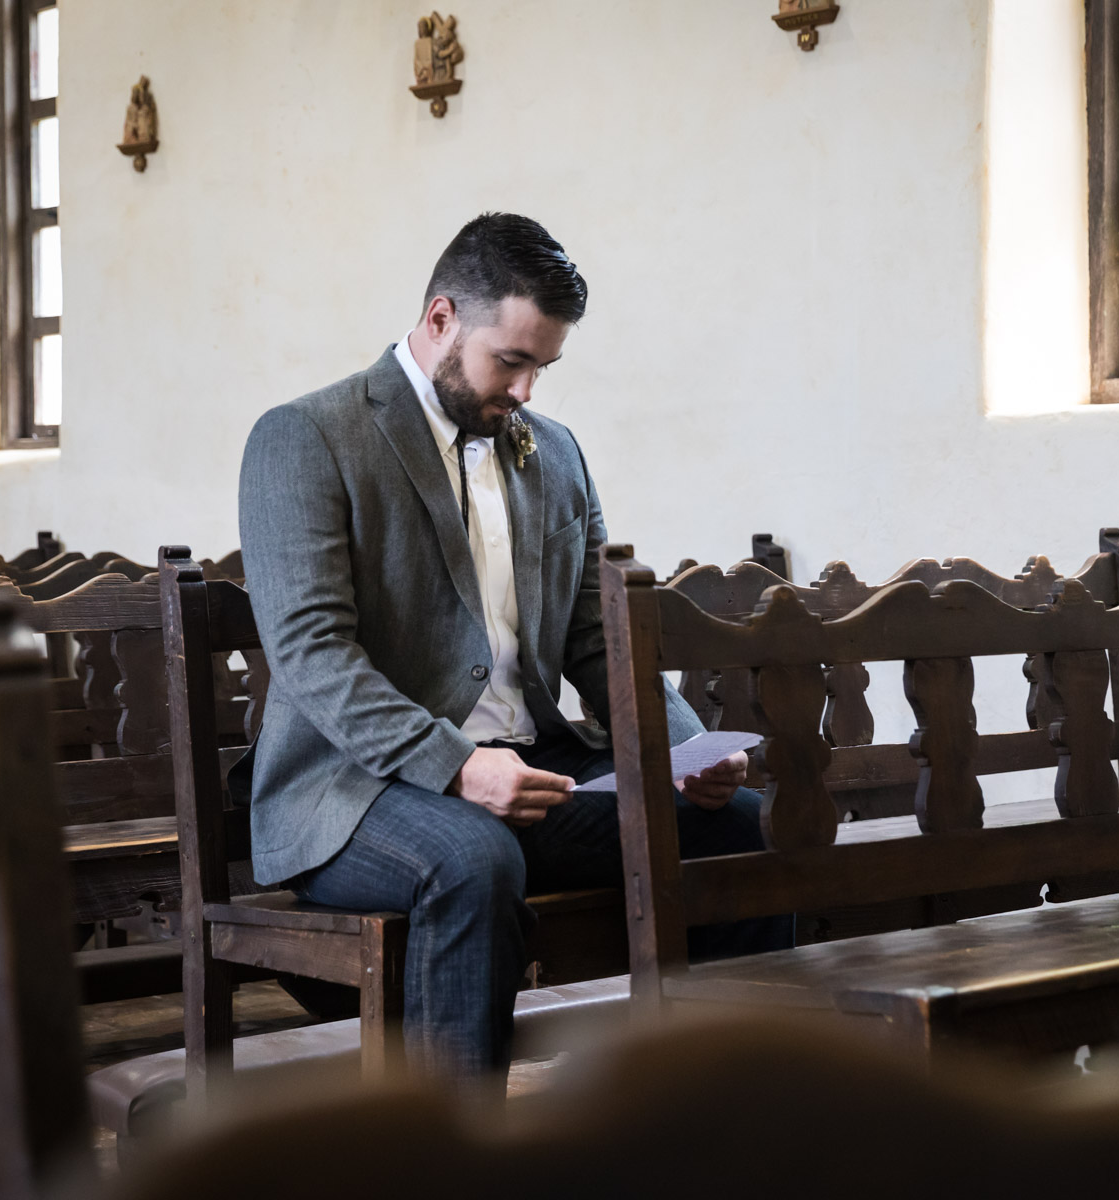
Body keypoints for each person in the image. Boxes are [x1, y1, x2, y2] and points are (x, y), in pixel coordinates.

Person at [235, 212, 791, 1084]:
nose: (528, 391)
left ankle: (714, 1122)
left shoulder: (555, 453)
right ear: (442, 319)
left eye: (544, 366)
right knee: (472, 857)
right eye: (513, 360)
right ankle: (457, 1154)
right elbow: (314, 656)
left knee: (743, 828)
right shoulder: (308, 438)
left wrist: (682, 751)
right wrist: (457, 766)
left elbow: (593, 638)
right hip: (350, 794)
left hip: (528, 770)